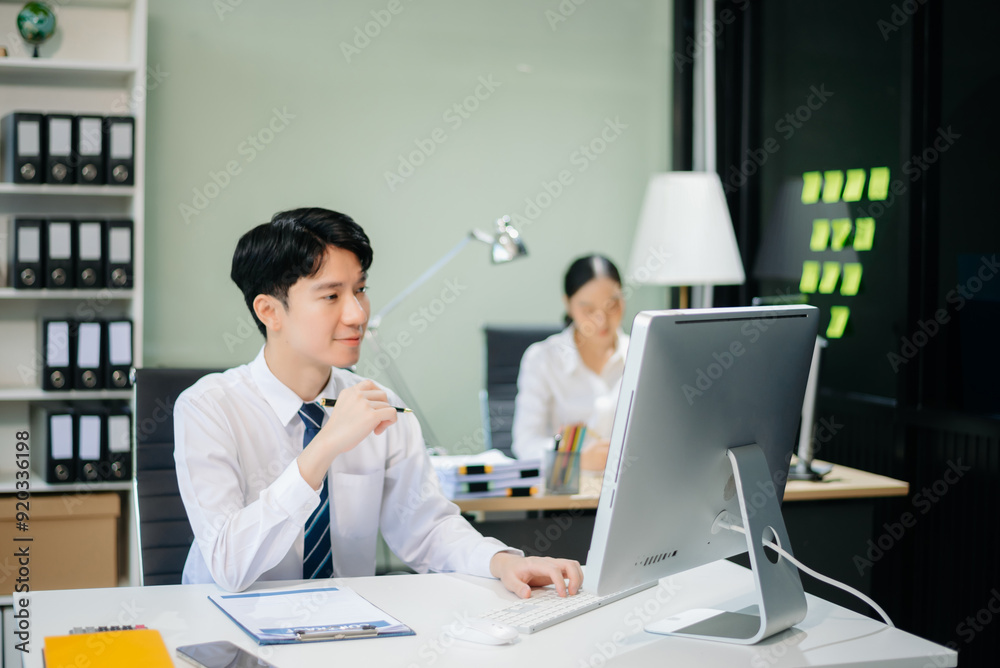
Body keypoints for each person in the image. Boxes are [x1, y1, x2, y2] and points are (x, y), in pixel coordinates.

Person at [174, 207, 582, 597]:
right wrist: (324, 446)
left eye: (360, 290)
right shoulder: (208, 408)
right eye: (331, 296)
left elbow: (427, 528)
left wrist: (501, 561)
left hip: (346, 625)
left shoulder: (379, 404)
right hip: (224, 624)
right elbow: (227, 565)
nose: (357, 314)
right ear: (270, 312)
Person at [511, 255, 628, 471]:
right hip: (566, 487)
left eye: (612, 306)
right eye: (589, 310)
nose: (601, 320)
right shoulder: (542, 360)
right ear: (568, 304)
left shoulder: (642, 354)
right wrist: (576, 460)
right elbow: (526, 444)